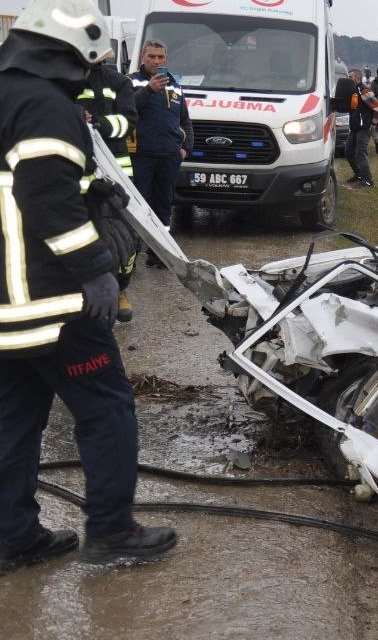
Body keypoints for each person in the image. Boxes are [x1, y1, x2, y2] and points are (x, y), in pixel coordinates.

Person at [0, 0, 178, 575]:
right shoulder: (47, 108)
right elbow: (46, 199)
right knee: (106, 410)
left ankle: (13, 537)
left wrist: (90, 194)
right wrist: (96, 268)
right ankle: (111, 530)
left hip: (5, 307)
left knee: (14, 422)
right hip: (53, 305)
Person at [78, 61, 140, 321]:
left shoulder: (118, 82)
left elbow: (128, 122)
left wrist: (99, 122)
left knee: (124, 236)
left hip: (116, 171)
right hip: (78, 169)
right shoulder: (63, 77)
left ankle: (121, 290)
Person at [129, 39, 193, 267]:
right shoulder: (132, 82)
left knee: (163, 209)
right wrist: (149, 89)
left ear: (166, 59)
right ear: (142, 58)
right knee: (139, 207)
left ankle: (159, 255)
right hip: (141, 156)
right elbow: (128, 109)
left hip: (169, 157)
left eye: (160, 57)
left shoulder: (175, 85)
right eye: (151, 57)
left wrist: (186, 149)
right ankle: (131, 257)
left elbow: (185, 121)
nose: (156, 61)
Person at [338, 67, 378, 187]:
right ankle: (359, 175)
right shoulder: (352, 91)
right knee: (348, 152)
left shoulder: (364, 91)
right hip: (354, 127)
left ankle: (368, 180)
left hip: (364, 128)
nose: (348, 79)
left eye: (350, 77)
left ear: (357, 78)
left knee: (360, 154)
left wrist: (373, 123)